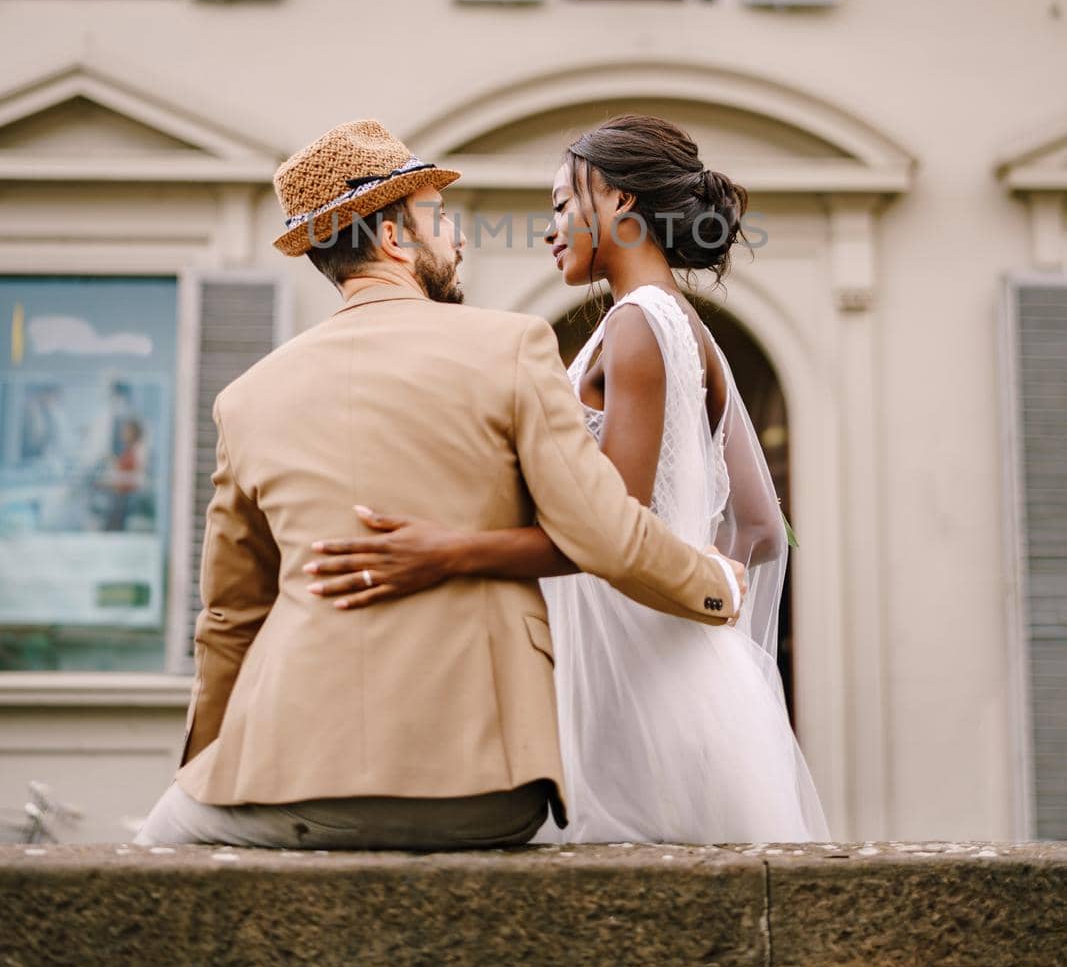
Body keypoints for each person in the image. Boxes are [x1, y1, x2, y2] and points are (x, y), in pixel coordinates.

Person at [133, 119, 747, 851]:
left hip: (280, 784)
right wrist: (718, 585)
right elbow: (608, 533)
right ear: (396, 239)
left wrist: (210, 767)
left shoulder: (244, 397)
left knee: (148, 850)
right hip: (488, 790)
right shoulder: (509, 345)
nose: (458, 240)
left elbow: (230, 618)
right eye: (443, 219)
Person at [305, 115, 829, 844]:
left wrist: (448, 551)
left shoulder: (632, 326)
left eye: (558, 206)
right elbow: (763, 527)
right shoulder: (687, 327)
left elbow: (608, 529)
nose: (547, 228)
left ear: (616, 202)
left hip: (626, 683)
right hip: (686, 675)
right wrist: (709, 597)